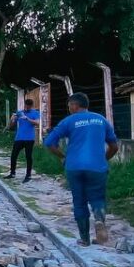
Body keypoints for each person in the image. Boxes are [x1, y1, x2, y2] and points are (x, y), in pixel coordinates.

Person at [44, 92, 119, 246]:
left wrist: (62, 156)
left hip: (74, 166)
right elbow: (114, 146)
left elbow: (49, 142)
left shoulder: (68, 121)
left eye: (69, 105)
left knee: (79, 202)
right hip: (97, 167)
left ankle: (84, 239)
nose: (69, 108)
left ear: (74, 105)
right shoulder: (101, 120)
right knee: (98, 198)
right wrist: (103, 158)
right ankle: (98, 219)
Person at [6, 99, 41, 181]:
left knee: (28, 156)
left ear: (31, 106)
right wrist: (12, 119)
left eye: (28, 106)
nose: (26, 108)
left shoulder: (35, 113)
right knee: (13, 155)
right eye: (25, 106)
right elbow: (11, 126)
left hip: (29, 138)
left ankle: (28, 175)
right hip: (19, 138)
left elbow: (37, 123)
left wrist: (27, 118)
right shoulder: (20, 112)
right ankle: (12, 173)